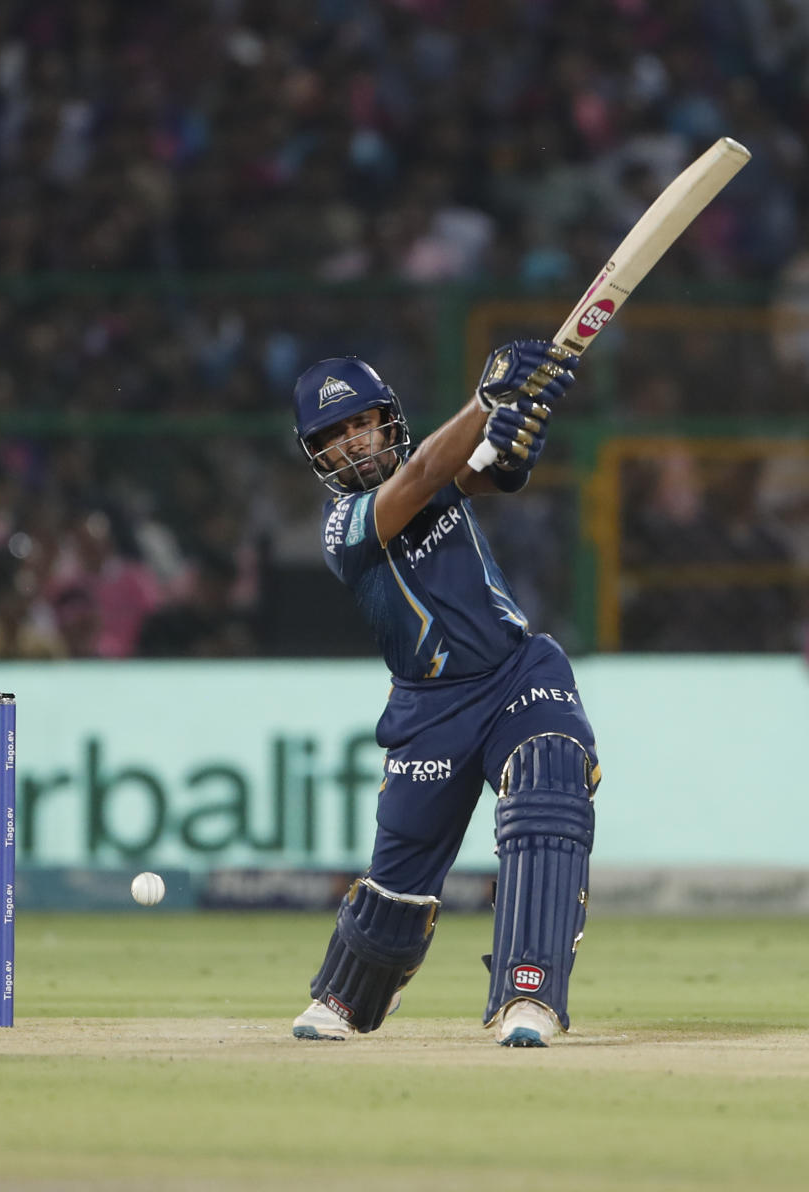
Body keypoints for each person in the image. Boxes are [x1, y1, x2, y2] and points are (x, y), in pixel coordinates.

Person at [289, 343, 601, 1048]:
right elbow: (430, 469)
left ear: (386, 420)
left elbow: (476, 472)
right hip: (429, 711)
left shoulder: (433, 471)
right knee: (397, 884)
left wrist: (510, 451)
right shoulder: (343, 529)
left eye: (362, 423)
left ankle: (530, 994)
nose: (353, 443)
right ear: (317, 454)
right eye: (333, 436)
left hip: (518, 675)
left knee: (549, 777)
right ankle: (356, 990)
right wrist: (487, 401)